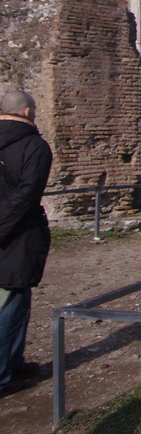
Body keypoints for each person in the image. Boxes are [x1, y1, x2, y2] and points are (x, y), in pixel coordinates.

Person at [0, 90, 53, 395]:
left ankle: (13, 361)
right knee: (11, 305)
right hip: (16, 235)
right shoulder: (34, 145)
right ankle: (3, 375)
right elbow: (27, 196)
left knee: (14, 302)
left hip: (12, 232)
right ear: (27, 112)